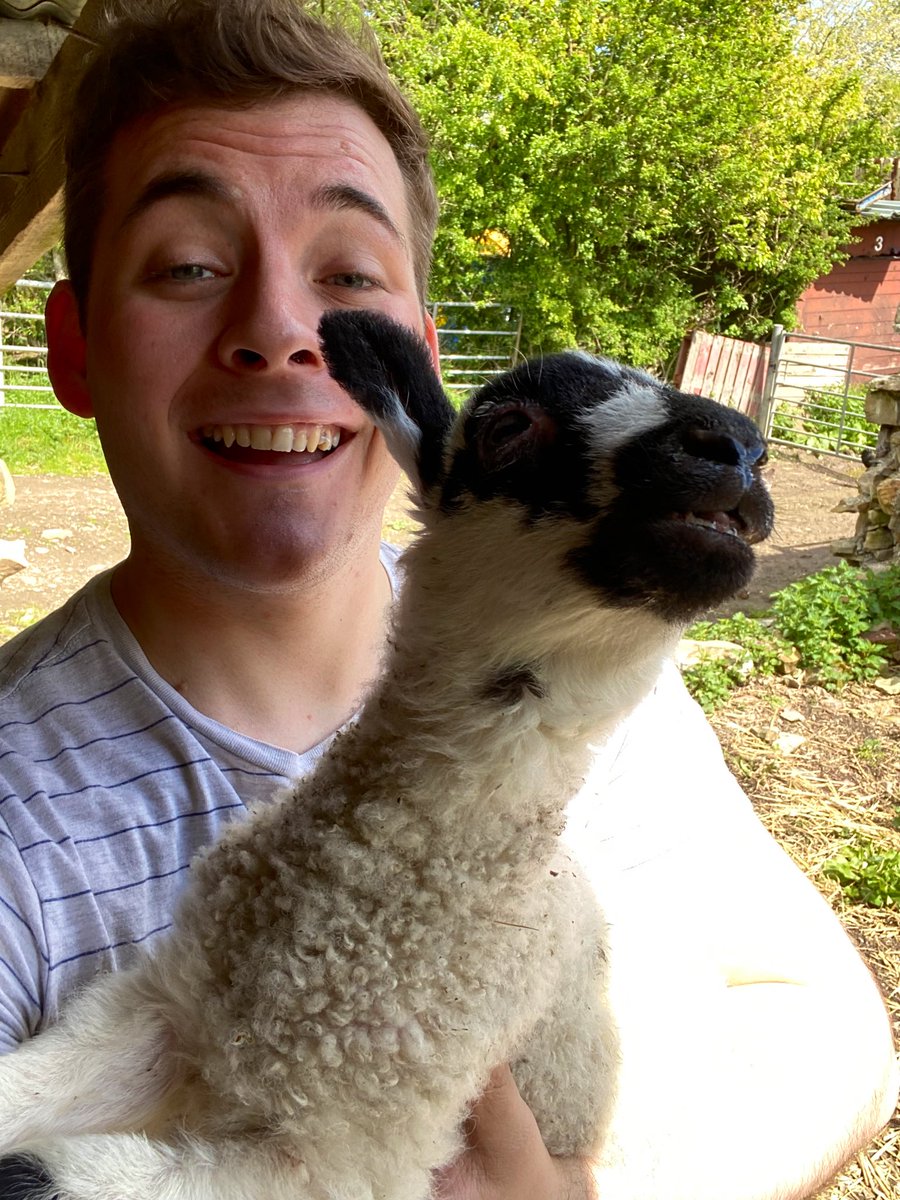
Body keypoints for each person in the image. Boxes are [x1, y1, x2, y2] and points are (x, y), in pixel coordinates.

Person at [0, 1, 895, 1196]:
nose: (280, 330)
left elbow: (815, 1025)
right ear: (74, 348)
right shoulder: (19, 821)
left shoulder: (584, 668)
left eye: (347, 277)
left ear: (412, 364)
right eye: (190, 266)